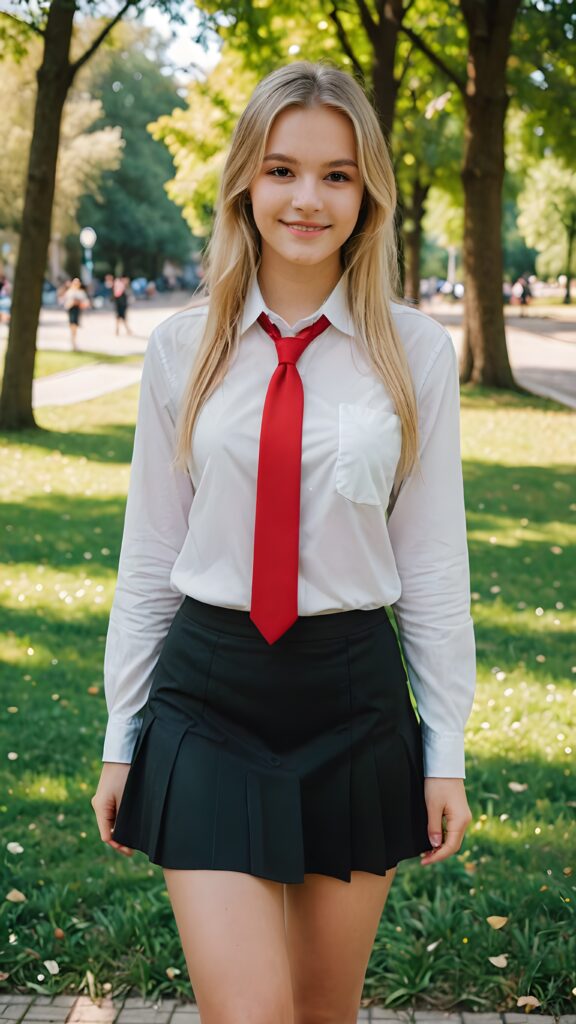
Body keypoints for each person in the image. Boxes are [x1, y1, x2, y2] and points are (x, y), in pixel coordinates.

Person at [91, 60, 476, 1024]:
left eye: (338, 174)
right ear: (244, 186)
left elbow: (431, 563)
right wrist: (119, 734)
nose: (308, 198)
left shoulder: (415, 352)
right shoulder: (183, 347)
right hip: (207, 697)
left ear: (367, 193)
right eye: (283, 170)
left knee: (319, 1014)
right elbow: (149, 554)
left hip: (352, 699)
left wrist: (446, 749)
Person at [62, 277, 89, 350]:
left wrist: (79, 303)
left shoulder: (81, 292)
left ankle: (73, 341)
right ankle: (73, 341)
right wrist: (72, 303)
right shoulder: (69, 292)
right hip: (71, 310)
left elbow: (86, 303)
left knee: (75, 326)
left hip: (78, 310)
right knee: (72, 325)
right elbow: (65, 303)